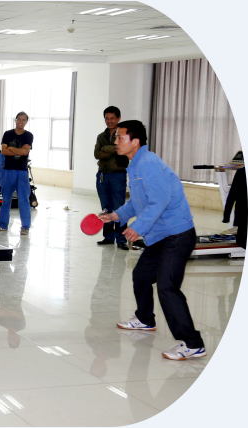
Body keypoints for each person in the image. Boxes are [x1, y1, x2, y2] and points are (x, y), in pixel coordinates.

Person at [100, 120, 206, 360]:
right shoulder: (136, 164)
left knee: (167, 287)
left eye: (120, 138)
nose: (116, 142)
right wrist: (116, 215)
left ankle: (193, 343)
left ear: (135, 141)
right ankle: (145, 319)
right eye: (115, 138)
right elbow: (137, 202)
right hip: (161, 236)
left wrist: (138, 227)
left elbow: (161, 200)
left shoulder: (148, 163)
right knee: (141, 275)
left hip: (177, 235)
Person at [94, 106, 130, 250]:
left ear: (118, 118)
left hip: (118, 175)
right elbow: (97, 154)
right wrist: (113, 150)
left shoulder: (123, 135)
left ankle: (121, 239)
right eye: (107, 118)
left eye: (112, 118)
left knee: (119, 208)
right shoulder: (101, 136)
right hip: (103, 175)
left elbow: (121, 150)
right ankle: (108, 237)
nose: (109, 121)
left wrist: (105, 148)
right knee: (106, 208)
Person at [0, 112, 33, 235]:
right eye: (19, 119)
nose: (21, 121)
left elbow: (25, 153)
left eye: (23, 120)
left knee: (24, 200)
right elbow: (4, 151)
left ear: (26, 122)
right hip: (7, 171)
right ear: (15, 120)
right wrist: (19, 150)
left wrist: (11, 148)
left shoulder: (28, 136)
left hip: (22, 172)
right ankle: (2, 225)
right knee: (6, 200)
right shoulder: (8, 134)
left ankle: (25, 227)